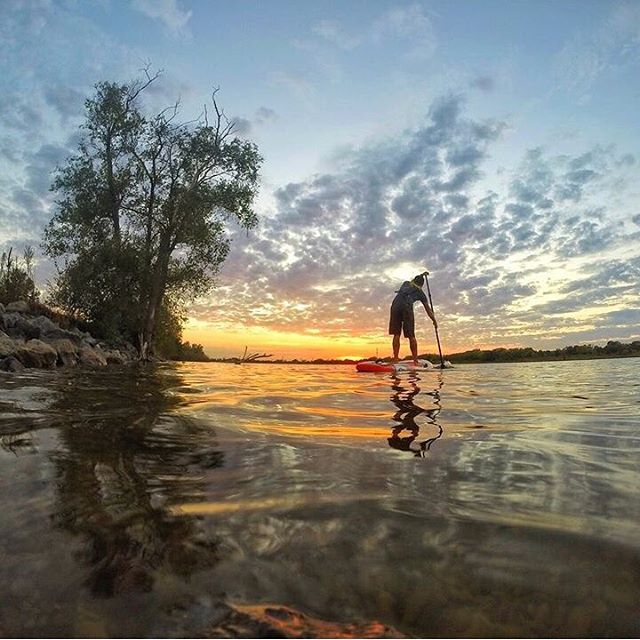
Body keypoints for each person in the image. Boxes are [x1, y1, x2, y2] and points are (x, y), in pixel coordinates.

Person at [388, 273, 437, 364]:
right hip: (406, 307)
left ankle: (395, 359)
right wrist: (434, 320)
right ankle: (415, 360)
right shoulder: (421, 293)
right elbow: (428, 309)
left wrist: (421, 275)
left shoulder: (405, 283)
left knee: (396, 334)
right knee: (411, 336)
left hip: (395, 306)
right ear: (422, 285)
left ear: (414, 280)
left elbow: (411, 284)